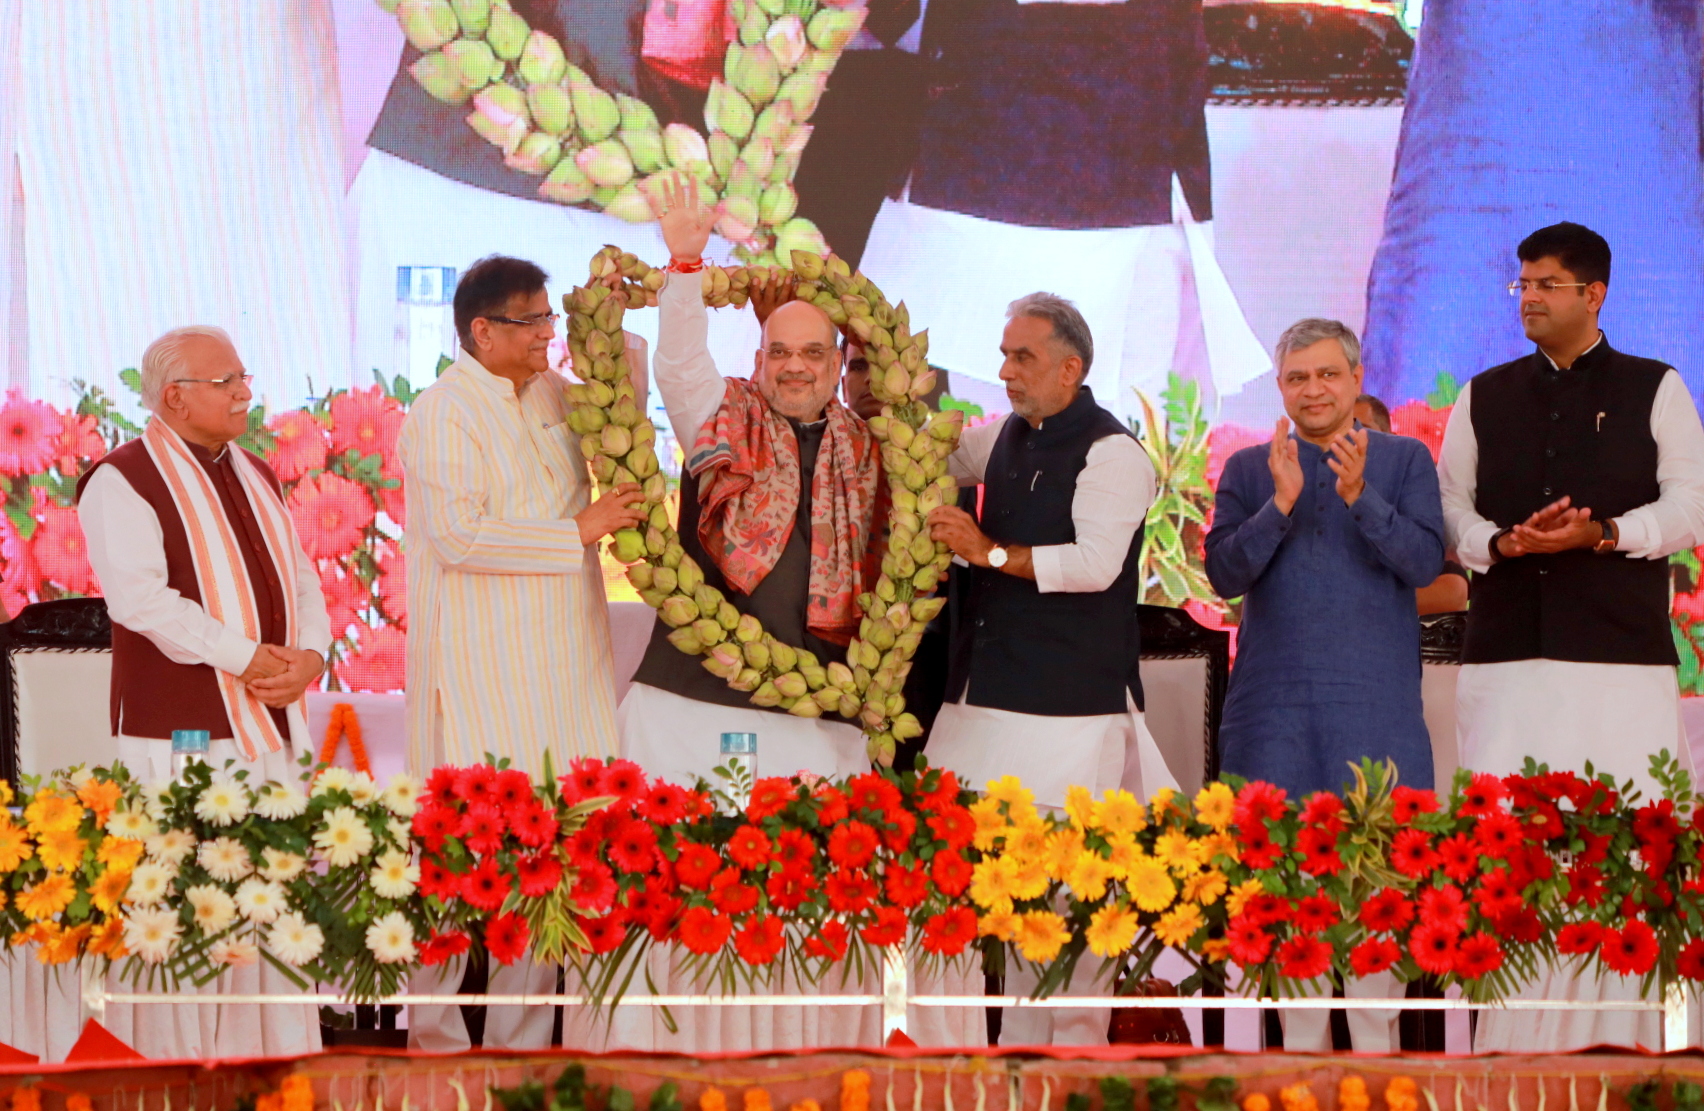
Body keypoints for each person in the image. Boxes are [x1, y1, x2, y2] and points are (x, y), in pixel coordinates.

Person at [1437, 222, 1704, 1052]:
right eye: (1521, 282)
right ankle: (1505, 1049)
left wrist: (1605, 533)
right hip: (1506, 659)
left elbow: (1692, 502)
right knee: (1509, 841)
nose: (1529, 296)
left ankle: (1629, 1044)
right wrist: (1502, 544)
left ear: (1595, 294)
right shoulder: (1482, 393)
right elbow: (1451, 509)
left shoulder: (1654, 386)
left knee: (1621, 844)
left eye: (1546, 283)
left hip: (1617, 662)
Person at [397, 254, 647, 1052]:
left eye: (549, 319)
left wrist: (607, 323)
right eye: (533, 321)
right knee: (460, 865)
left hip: (562, 670)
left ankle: (520, 1052)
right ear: (482, 330)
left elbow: (623, 405)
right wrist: (580, 529)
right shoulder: (443, 411)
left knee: (547, 868)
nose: (547, 334)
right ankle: (434, 1050)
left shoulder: (547, 392)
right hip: (481, 676)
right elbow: (459, 535)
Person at [924, 292, 1175, 1046]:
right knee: (941, 884)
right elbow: (929, 452)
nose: (1004, 371)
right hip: (977, 703)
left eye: (1021, 357)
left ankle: (1067, 1070)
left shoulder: (1113, 453)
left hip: (1069, 711)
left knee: (1062, 907)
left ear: (1071, 368)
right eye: (1003, 354)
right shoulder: (1003, 433)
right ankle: (953, 1067)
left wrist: (989, 552)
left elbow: (1097, 565)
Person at [77, 325, 329, 1060]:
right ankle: (185, 1074)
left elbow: (300, 573)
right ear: (175, 397)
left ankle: (277, 1068)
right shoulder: (121, 478)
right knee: (191, 916)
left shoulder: (254, 471)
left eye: (244, 376)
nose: (244, 392)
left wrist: (311, 653)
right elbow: (140, 603)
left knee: (273, 907)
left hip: (272, 719)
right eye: (226, 381)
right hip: (183, 733)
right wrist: (248, 658)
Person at [1205, 318, 1443, 1053]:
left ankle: (1381, 1076)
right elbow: (1222, 576)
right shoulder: (1251, 468)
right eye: (1297, 378)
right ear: (1281, 387)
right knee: (1280, 905)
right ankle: (1290, 1077)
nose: (1312, 390)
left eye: (1326, 375)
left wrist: (1360, 494)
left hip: (1376, 720)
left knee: (1378, 906)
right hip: (1273, 719)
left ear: (1355, 379)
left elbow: (1424, 563)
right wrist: (1280, 504)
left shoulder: (1403, 461)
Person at [1356, 393, 1469, 614]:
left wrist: (1351, 605)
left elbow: (1453, 592)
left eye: (1365, 432)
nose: (1354, 443)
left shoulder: (1415, 501)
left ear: (1391, 439)